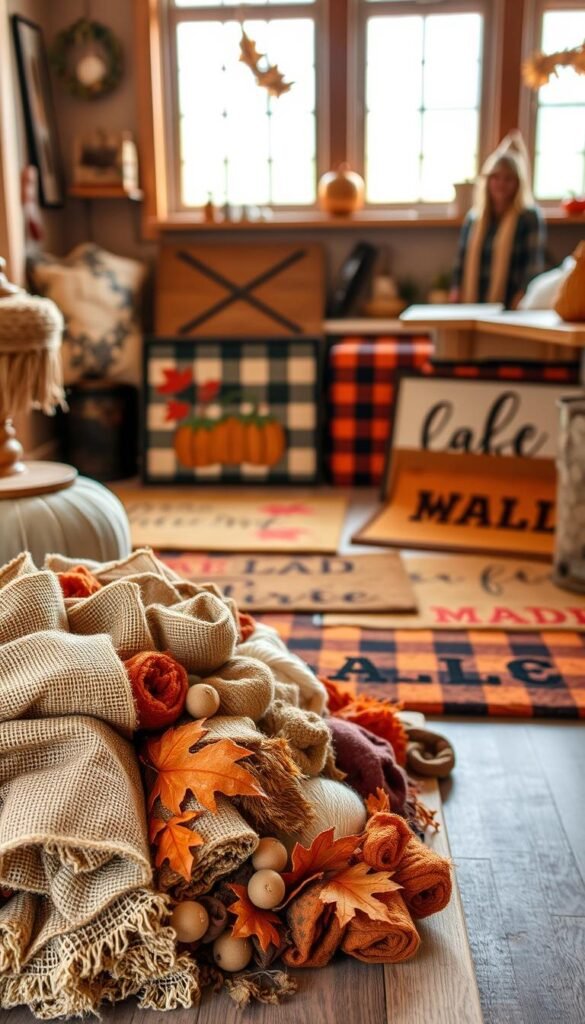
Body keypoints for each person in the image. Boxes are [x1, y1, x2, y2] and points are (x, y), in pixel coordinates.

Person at [450, 132, 546, 309]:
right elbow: (460, 261)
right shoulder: (474, 219)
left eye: (508, 179)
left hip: (511, 306)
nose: (501, 184)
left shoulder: (529, 217)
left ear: (518, 183)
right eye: (495, 177)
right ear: (487, 181)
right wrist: (456, 289)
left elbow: (533, 265)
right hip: (474, 304)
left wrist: (523, 294)